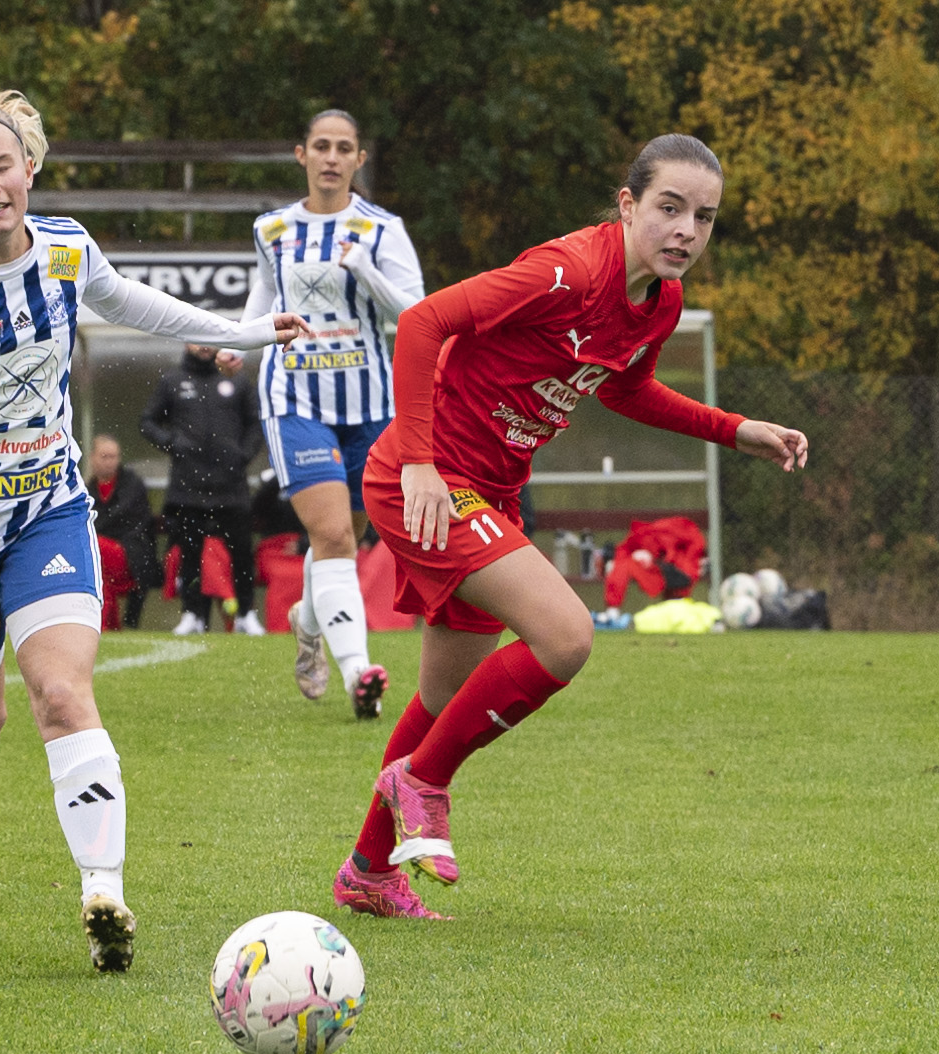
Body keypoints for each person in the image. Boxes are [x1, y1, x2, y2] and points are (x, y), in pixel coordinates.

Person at [0, 77, 307, 972]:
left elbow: (131, 303)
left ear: (27, 169)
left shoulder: (64, 249)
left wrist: (241, 334)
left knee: (60, 691)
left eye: (1, 165)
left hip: (47, 512)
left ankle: (104, 893)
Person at [330, 134, 808, 922]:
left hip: (490, 490)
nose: (687, 230)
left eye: (705, 217)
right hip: (427, 480)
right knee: (566, 635)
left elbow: (625, 390)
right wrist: (417, 459)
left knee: (444, 696)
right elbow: (422, 324)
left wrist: (735, 428)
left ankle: (370, 870)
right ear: (627, 205)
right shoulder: (568, 272)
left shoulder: (660, 300)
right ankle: (421, 780)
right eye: (669, 208)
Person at [246, 108, 426, 718]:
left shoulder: (382, 229)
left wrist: (364, 269)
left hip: (373, 406)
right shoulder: (271, 228)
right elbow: (265, 295)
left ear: (358, 160)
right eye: (319, 146)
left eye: (342, 148)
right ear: (301, 154)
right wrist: (234, 340)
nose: (330, 157)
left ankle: (308, 617)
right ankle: (359, 673)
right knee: (331, 535)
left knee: (347, 539)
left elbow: (416, 315)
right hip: (295, 399)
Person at [140, 341, 263, 635]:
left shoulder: (237, 378)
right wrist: (172, 444)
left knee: (242, 553)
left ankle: (246, 614)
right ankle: (192, 614)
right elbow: (147, 422)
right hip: (188, 485)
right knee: (190, 554)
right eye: (198, 339)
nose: (204, 346)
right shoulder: (173, 380)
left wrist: (242, 456)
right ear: (186, 342)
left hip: (231, 485)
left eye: (210, 340)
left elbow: (256, 424)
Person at [87, 433, 162, 628]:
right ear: (92, 458)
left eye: (114, 457)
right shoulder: (87, 489)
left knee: (95, 546)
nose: (110, 462)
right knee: (96, 556)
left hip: (132, 556)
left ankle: (105, 624)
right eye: (105, 457)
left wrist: (100, 531)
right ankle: (106, 625)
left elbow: (129, 522)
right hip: (104, 556)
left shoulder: (132, 485)